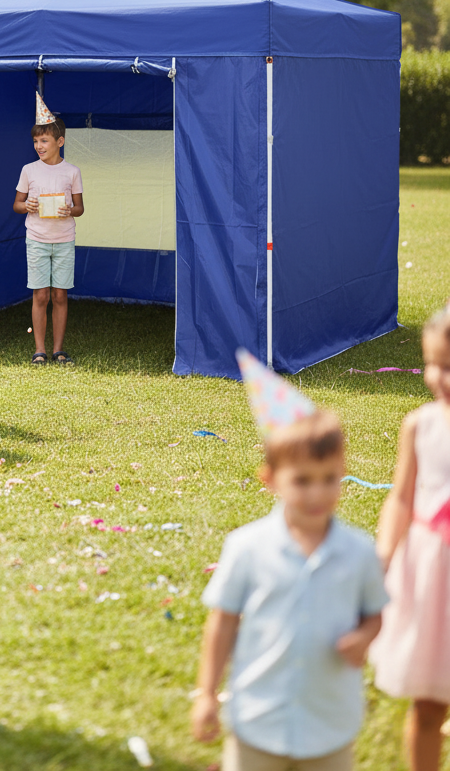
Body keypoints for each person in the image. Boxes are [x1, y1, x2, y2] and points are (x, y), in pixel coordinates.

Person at [191, 406, 387, 771]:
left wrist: (364, 637)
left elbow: (375, 613)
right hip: (258, 718)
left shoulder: (358, 551)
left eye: (329, 478)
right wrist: (206, 695)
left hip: (329, 723)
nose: (317, 493)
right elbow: (223, 622)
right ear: (270, 479)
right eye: (302, 480)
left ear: (342, 473)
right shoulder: (247, 547)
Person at [371, 306, 450, 771]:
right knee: (428, 700)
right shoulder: (420, 425)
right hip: (432, 576)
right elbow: (401, 497)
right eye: (434, 363)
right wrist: (384, 554)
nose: (441, 376)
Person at [12, 99, 84, 366]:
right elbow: (17, 205)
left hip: (64, 240)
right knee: (40, 294)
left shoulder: (72, 171)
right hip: (37, 240)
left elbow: (80, 208)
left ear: (60, 142)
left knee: (60, 294)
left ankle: (58, 350)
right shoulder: (28, 170)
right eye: (36, 142)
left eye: (44, 141)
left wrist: (70, 210)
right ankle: (39, 350)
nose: (39, 146)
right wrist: (26, 204)